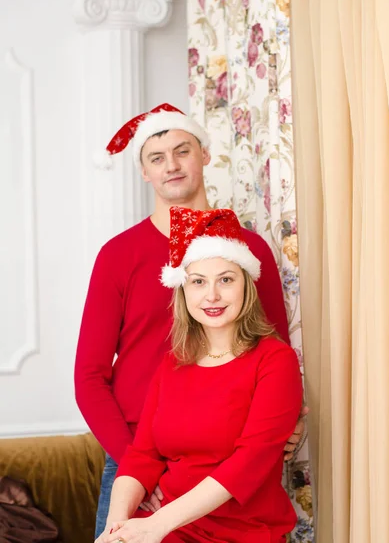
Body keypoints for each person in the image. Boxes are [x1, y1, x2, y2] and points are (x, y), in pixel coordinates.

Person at [74, 103, 307, 538]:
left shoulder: (249, 249)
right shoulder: (118, 255)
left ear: (204, 154)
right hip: (136, 455)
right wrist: (137, 468)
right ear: (144, 172)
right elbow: (89, 376)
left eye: (182, 151)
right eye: (156, 158)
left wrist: (283, 426)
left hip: (230, 460)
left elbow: (271, 346)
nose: (172, 166)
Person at [96, 206, 303, 543]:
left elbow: (249, 463)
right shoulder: (173, 363)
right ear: (183, 290)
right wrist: (116, 527)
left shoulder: (275, 361)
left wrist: (157, 524)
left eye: (226, 279)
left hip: (242, 532)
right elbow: (143, 456)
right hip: (168, 527)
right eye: (198, 282)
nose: (212, 295)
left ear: (246, 286)